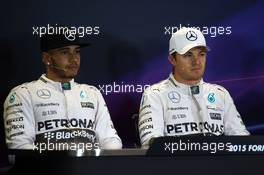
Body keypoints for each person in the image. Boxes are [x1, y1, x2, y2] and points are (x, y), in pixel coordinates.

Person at [3, 29, 122, 150]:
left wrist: (103, 165)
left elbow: (110, 140)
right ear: (47, 58)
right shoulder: (23, 94)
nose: (74, 59)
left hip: (90, 168)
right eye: (65, 52)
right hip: (44, 168)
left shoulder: (92, 93)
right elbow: (19, 147)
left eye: (77, 52)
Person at [138, 27, 250, 148]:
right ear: (172, 59)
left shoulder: (220, 94)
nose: (196, 61)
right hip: (175, 165)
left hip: (219, 165)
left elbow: (243, 143)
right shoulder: (155, 95)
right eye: (188, 55)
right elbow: (151, 145)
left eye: (201, 54)